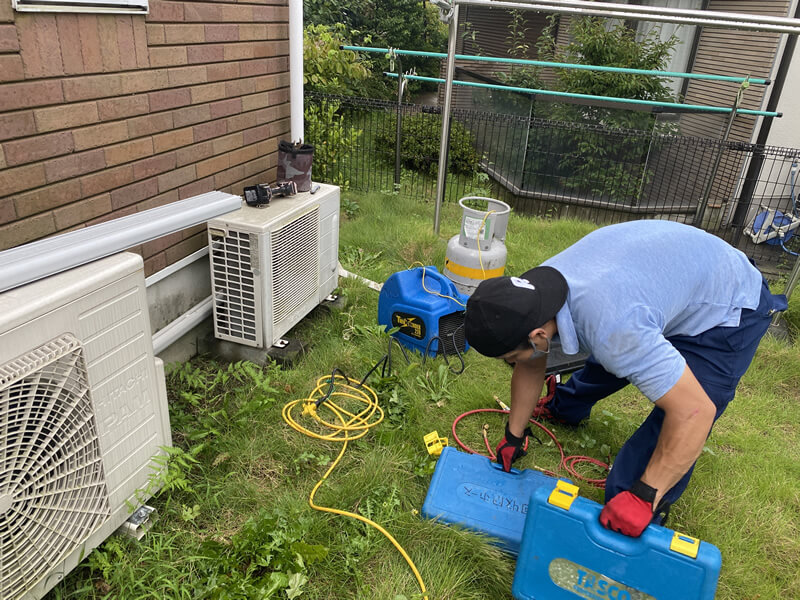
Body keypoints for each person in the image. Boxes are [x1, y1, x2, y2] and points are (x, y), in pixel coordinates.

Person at [463, 220, 788, 538]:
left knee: (628, 488)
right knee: (616, 350)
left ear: (536, 335)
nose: (513, 363)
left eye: (509, 358)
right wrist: (513, 434)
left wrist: (644, 494)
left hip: (730, 308)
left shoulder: (614, 327)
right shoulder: (539, 289)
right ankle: (566, 407)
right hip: (669, 282)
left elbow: (695, 412)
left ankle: (646, 513)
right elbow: (532, 360)